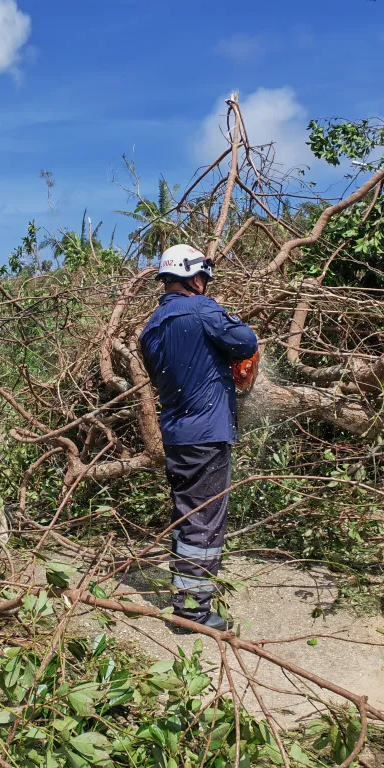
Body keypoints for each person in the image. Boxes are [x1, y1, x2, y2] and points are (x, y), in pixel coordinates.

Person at [139, 244, 259, 632]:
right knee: (204, 523)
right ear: (194, 277)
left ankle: (187, 595)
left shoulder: (150, 329)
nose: (205, 285)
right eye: (204, 279)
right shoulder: (204, 309)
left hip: (177, 434)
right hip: (207, 434)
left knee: (188, 517)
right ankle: (191, 613)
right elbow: (246, 342)